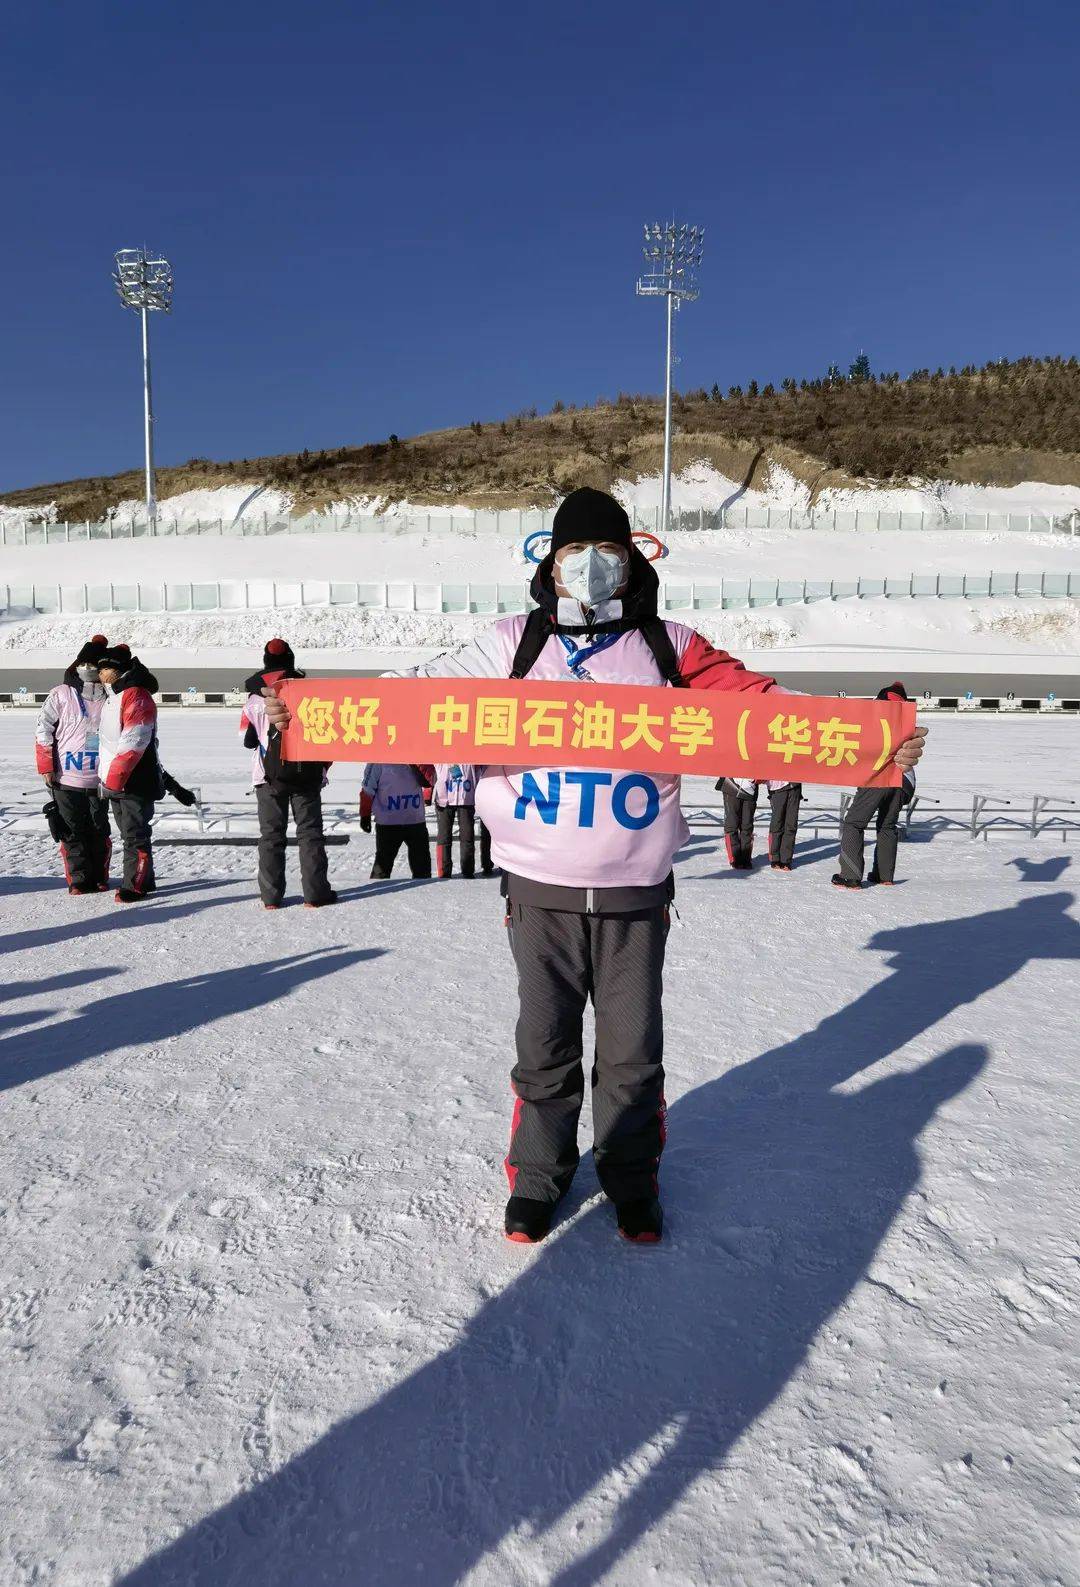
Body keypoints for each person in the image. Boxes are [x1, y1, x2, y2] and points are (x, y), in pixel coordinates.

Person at [264, 487, 926, 1245]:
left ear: (634, 562)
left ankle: (630, 1177)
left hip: (634, 897)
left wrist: (874, 740)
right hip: (538, 894)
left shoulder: (670, 646)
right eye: (574, 553)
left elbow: (769, 713)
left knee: (631, 1053)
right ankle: (540, 1177)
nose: (591, 568)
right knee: (543, 1047)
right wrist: (307, 712)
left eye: (608, 553)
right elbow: (412, 697)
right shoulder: (512, 642)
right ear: (549, 566)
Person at [241, 639, 336, 910]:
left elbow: (248, 740)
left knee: (271, 836)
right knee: (310, 834)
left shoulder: (254, 698)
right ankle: (315, 894)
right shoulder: (308, 692)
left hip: (267, 776)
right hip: (305, 773)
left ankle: (271, 897)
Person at [34, 634, 113, 894]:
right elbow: (42, 729)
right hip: (65, 777)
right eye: (85, 664)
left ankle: (100, 876)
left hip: (100, 778)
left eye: (95, 666)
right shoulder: (60, 694)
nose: (89, 670)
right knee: (71, 831)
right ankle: (79, 880)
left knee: (98, 830)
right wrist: (46, 765)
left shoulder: (112, 697)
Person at [833, 683, 916, 890]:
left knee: (854, 822)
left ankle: (850, 875)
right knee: (887, 826)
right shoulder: (906, 723)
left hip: (881, 776)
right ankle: (884, 875)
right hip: (905, 781)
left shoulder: (878, 723)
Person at [97, 646, 162, 902]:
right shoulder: (115, 695)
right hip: (116, 780)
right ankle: (144, 879)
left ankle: (135, 885)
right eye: (100, 669)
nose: (101, 674)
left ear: (119, 669)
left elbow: (134, 741)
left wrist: (113, 779)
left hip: (134, 779)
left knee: (135, 834)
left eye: (106, 668)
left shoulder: (135, 695)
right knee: (129, 834)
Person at [360, 763, 434, 879]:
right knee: (382, 868)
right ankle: (378, 895)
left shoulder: (417, 754)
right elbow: (367, 789)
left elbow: (430, 780)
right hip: (389, 822)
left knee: (422, 870)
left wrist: (416, 763)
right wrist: (365, 815)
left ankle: (422, 894)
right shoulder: (377, 760)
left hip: (414, 820)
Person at [432, 763, 494, 878]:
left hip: (466, 797)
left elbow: (480, 767)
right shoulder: (441, 749)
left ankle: (468, 870)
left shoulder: (470, 750)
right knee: (444, 836)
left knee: (467, 836)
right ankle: (444, 872)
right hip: (444, 798)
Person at [718, 776, 758, 870]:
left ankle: (746, 858)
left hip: (750, 788)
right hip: (731, 786)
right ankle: (735, 858)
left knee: (747, 825)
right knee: (732, 824)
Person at [767, 778, 802, 871]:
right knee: (777, 823)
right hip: (777, 787)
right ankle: (775, 858)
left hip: (794, 786)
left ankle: (786, 860)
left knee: (791, 824)